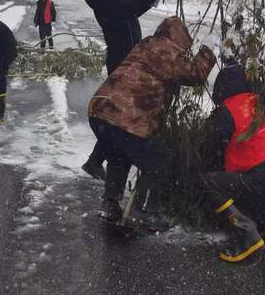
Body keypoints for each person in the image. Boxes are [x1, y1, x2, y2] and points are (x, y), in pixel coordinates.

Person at [88, 16, 216, 224]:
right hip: (127, 117)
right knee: (158, 162)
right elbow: (195, 75)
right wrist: (208, 51)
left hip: (100, 110)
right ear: (181, 38)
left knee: (119, 156)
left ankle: (110, 204)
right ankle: (145, 211)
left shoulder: (146, 44)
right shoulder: (170, 52)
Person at [199, 60, 265, 263]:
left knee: (211, 182)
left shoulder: (228, 111)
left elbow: (211, 148)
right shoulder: (259, 104)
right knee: (247, 182)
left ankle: (248, 239)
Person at [80, 0, 173, 179]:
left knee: (117, 120)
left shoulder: (111, 9)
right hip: (125, 70)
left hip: (122, 66)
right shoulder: (113, 9)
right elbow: (141, 2)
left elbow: (138, 7)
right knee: (120, 121)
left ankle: (96, 160)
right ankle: (101, 161)